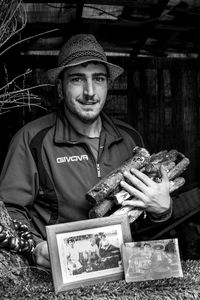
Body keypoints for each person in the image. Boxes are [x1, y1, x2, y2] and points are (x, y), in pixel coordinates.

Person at [0, 33, 172, 270]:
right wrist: (35, 246)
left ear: (108, 85)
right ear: (60, 88)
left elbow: (141, 214)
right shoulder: (32, 139)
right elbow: (8, 208)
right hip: (62, 268)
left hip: (125, 265)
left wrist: (162, 210)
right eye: (77, 79)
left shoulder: (130, 139)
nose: (90, 91)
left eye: (98, 78)